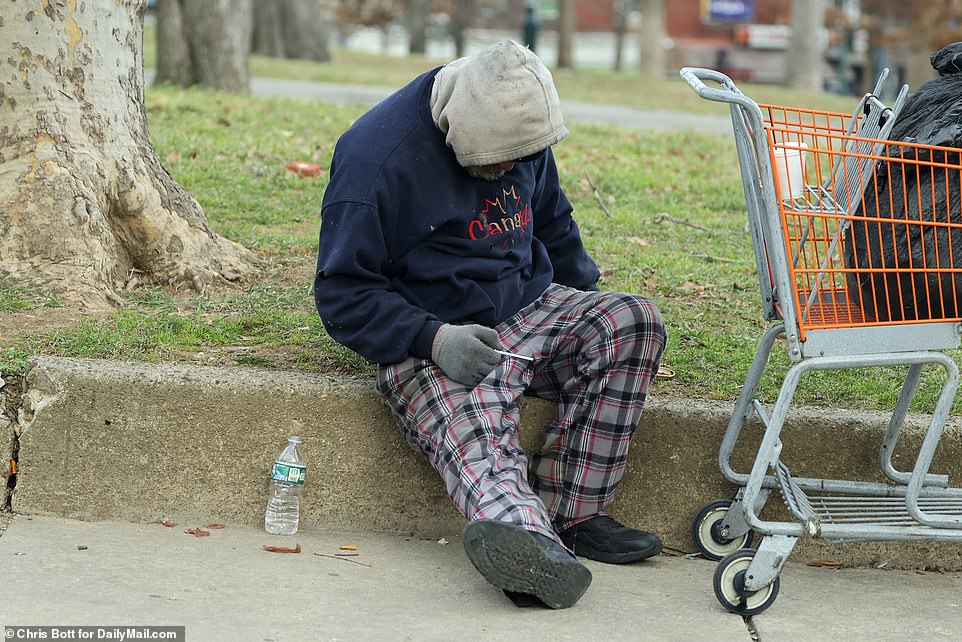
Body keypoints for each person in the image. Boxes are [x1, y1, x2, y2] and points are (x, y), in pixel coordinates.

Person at [313, 39, 667, 610]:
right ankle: (529, 551)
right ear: (459, 130)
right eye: (498, 161)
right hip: (433, 339)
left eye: (520, 158)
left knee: (633, 320)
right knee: (480, 432)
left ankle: (574, 515)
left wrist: (585, 314)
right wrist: (433, 339)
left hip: (526, 309)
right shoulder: (375, 159)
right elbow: (342, 294)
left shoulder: (519, 132)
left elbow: (553, 223)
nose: (509, 170)